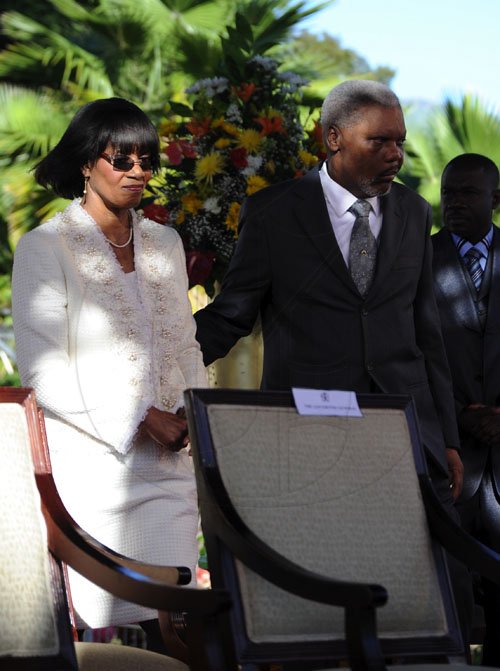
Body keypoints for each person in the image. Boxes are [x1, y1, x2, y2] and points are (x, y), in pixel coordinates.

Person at [194, 79, 473, 645]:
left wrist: (444, 436)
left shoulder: (416, 214)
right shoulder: (272, 213)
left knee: (442, 588)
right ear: (333, 140)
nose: (395, 154)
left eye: (400, 140)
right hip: (308, 430)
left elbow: (428, 334)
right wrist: (161, 366)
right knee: (324, 580)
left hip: (406, 429)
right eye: (380, 141)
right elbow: (231, 315)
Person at [11, 97, 206, 651]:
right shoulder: (44, 247)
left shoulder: (164, 242)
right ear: (85, 163)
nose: (137, 172)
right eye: (121, 160)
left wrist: (194, 415)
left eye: (146, 160)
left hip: (173, 465)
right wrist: (140, 417)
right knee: (112, 634)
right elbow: (41, 373)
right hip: (96, 471)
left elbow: (184, 344)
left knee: (179, 626)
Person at [432, 153, 500, 666]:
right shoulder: (416, 258)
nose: (453, 202)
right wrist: (460, 415)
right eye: (447, 192)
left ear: (495, 199)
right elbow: (409, 347)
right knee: (448, 591)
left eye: (467, 194)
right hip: (447, 453)